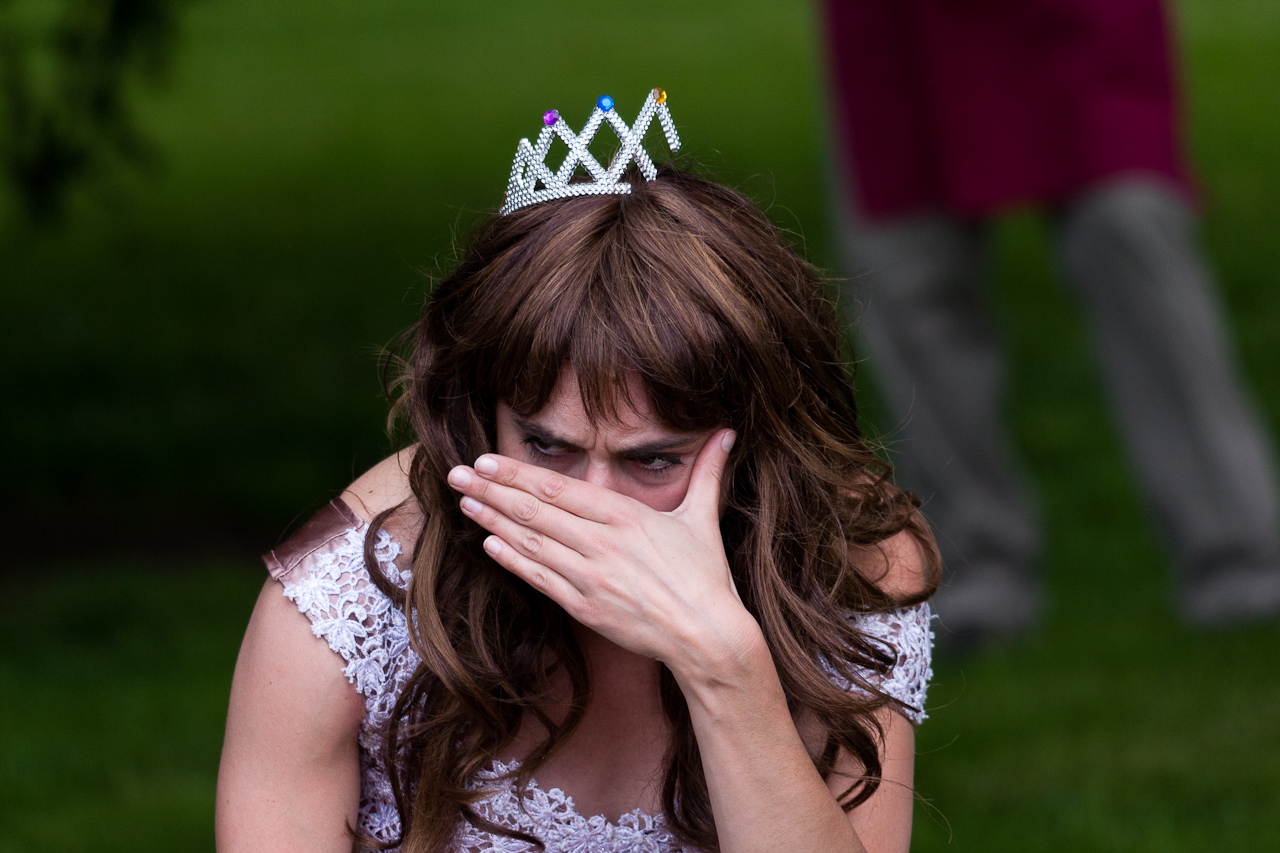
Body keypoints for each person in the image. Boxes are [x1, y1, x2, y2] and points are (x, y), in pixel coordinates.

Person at [215, 91, 940, 853]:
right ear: (483, 416)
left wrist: (726, 668)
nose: (588, 507)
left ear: (759, 443)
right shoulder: (347, 609)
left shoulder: (852, 564)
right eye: (547, 446)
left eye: (652, 459)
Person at [823, 0, 1280, 636]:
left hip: (1078, 19)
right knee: (906, 268)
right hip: (902, 26)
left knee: (1130, 226)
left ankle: (1242, 557)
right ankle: (971, 569)